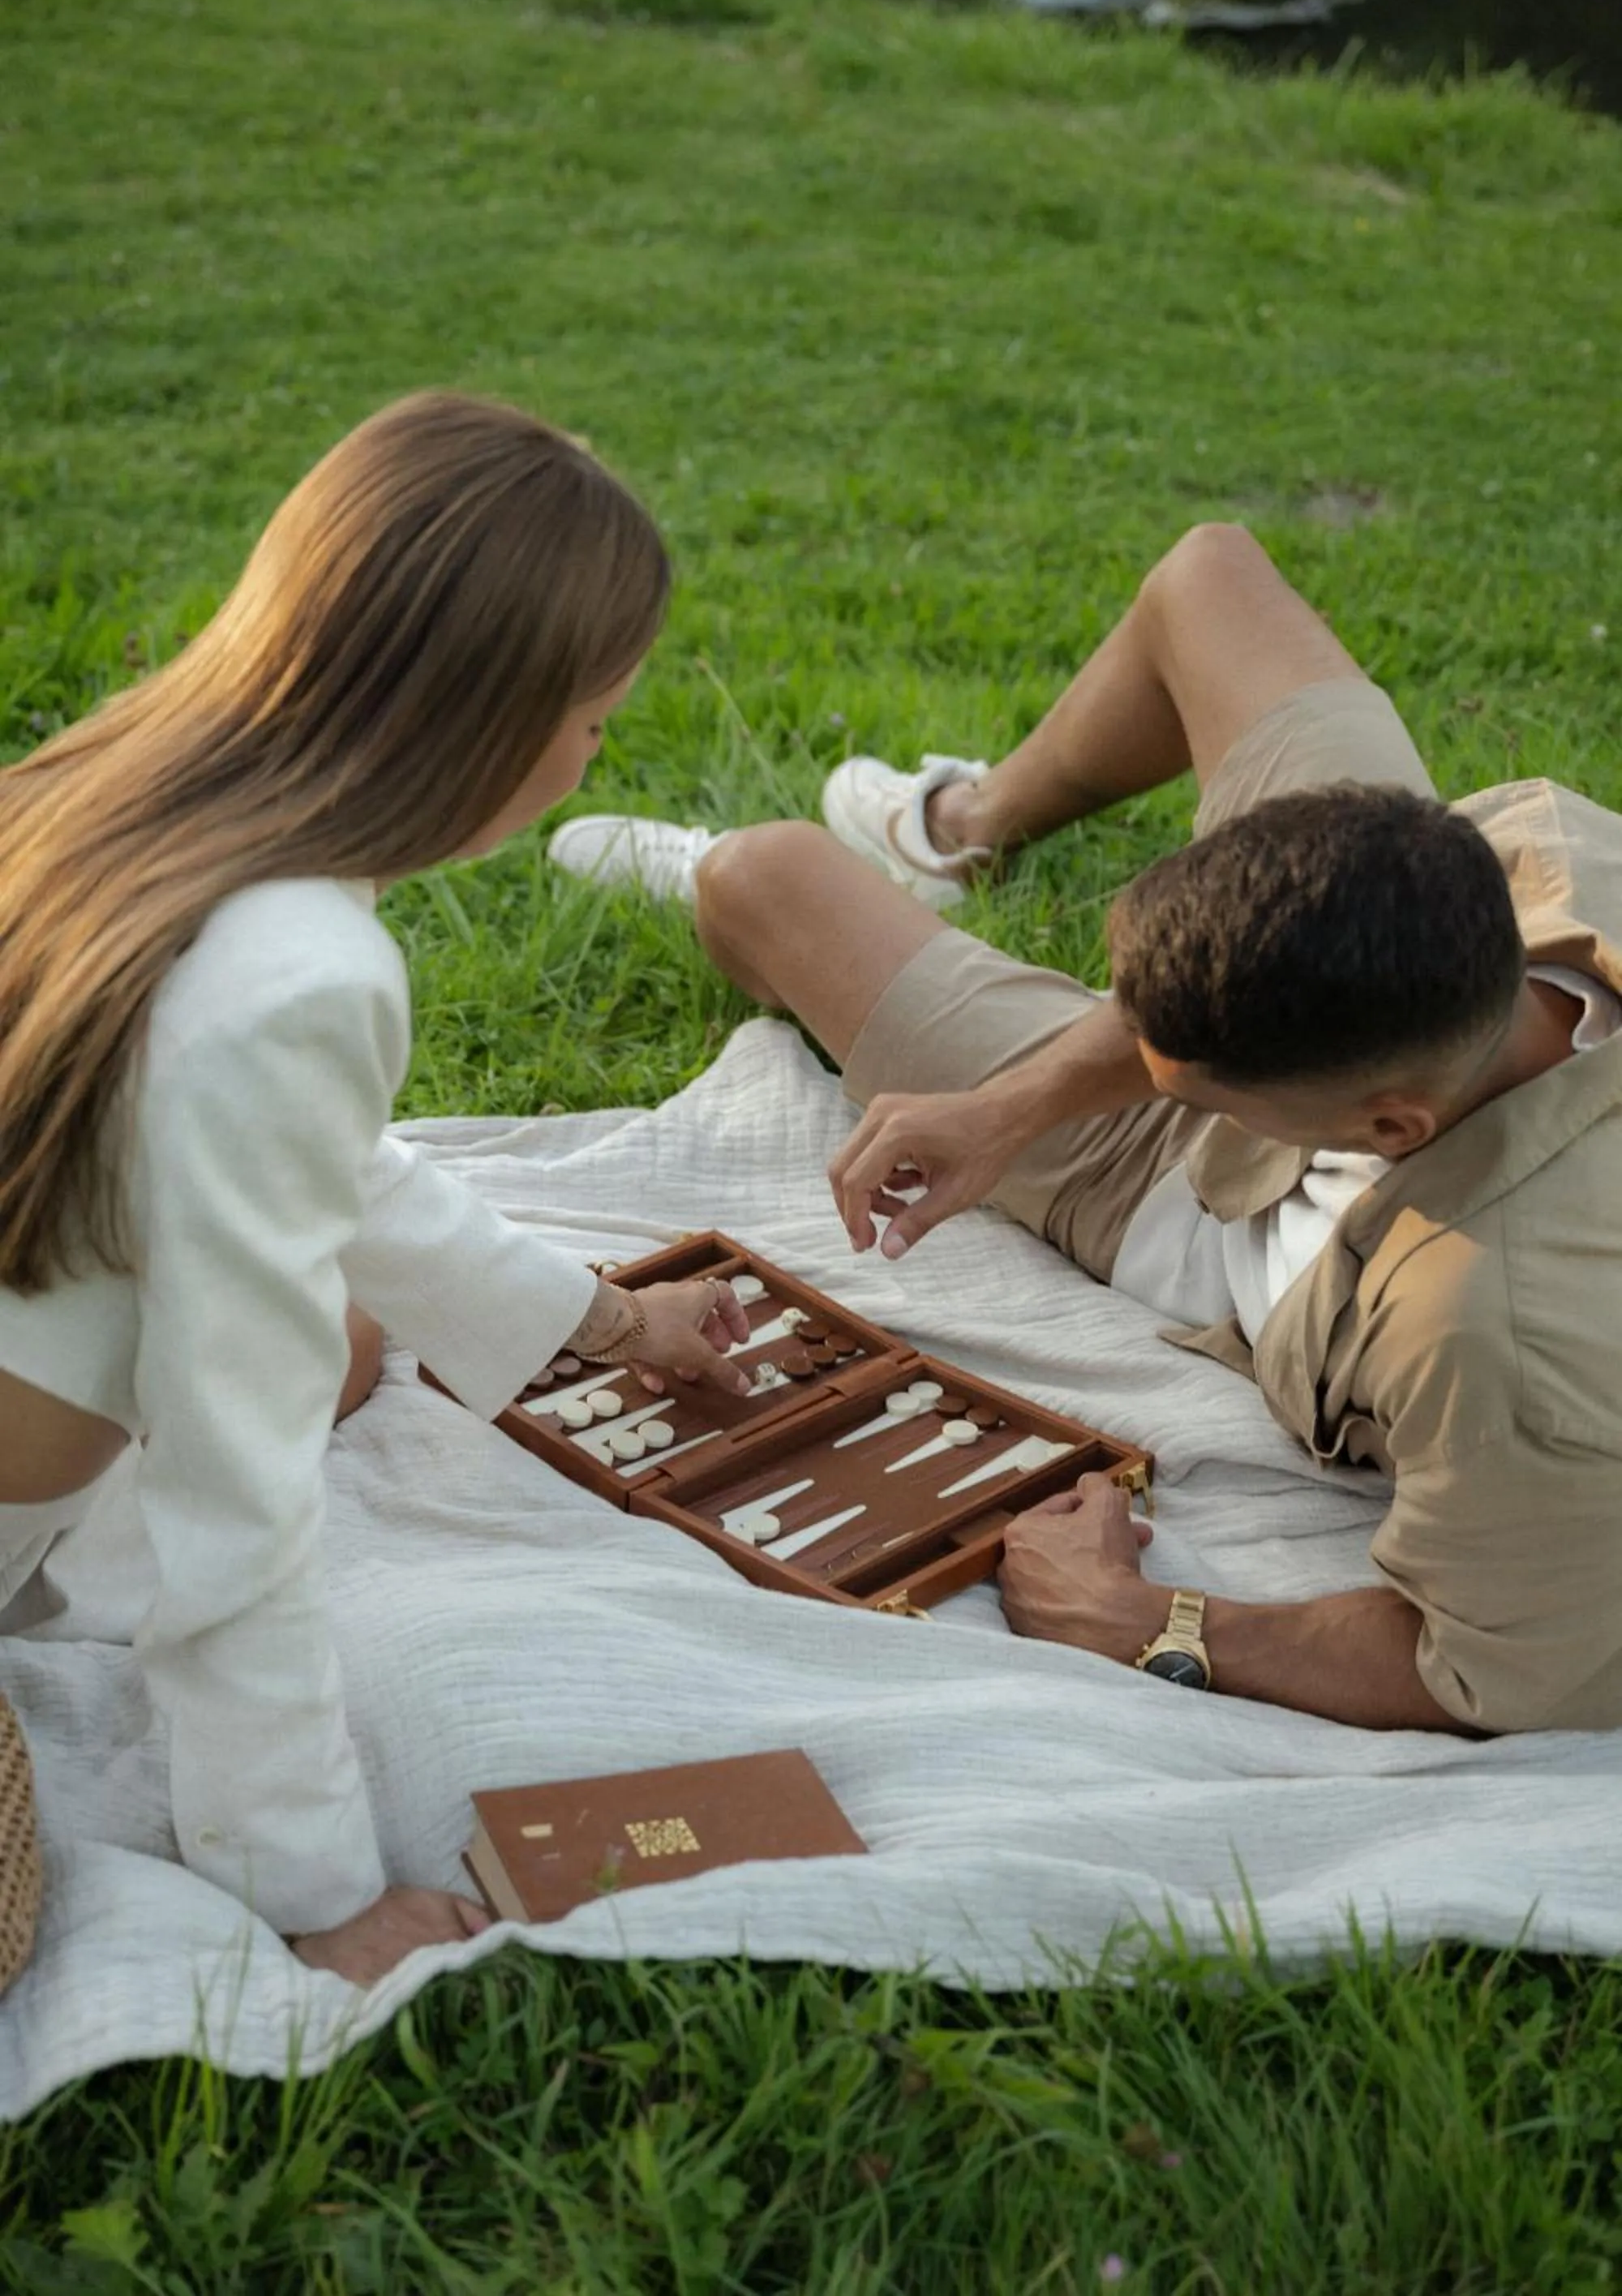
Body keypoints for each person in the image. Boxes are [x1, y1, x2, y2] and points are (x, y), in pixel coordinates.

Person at [548, 522, 1622, 1736]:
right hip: (1299, 1064)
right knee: (1207, 581)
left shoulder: (1504, 1337)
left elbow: (1489, 1670)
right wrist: (1003, 1107)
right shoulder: (1526, 856)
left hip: (1212, 1220)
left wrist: (1145, 1622)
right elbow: (1199, 1037)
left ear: (1388, 1125)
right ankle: (955, 828)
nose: (1153, 1071)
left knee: (761, 886)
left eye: (1196, 1079)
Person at [0, 393, 755, 1988]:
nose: (595, 754)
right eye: (599, 718)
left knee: (347, 1339)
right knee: (311, 1364)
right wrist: (318, 1892)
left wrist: (603, 1324)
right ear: (493, 723)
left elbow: (321, 1169)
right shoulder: (302, 974)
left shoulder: (119, 781)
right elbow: (238, 1490)